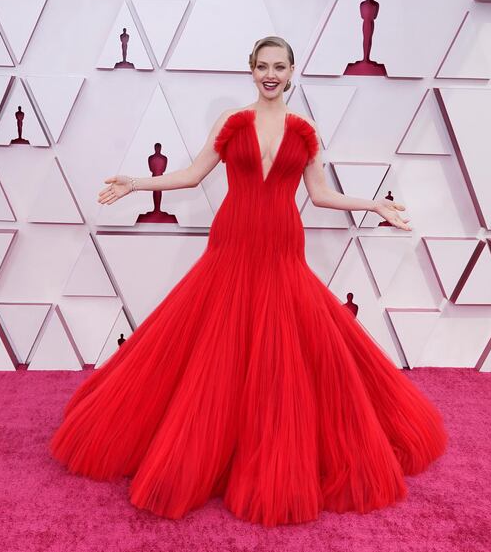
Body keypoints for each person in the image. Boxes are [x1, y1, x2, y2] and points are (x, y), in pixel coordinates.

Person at [50, 36, 447, 527]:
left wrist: (372, 205)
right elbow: (193, 176)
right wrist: (137, 183)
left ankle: (266, 453)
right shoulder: (232, 123)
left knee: (281, 357)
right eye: (262, 66)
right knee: (219, 353)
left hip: (282, 249)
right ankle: (210, 453)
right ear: (251, 70)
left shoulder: (305, 131)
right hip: (231, 245)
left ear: (292, 70)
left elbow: (320, 195)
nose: (270, 74)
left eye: (279, 66)